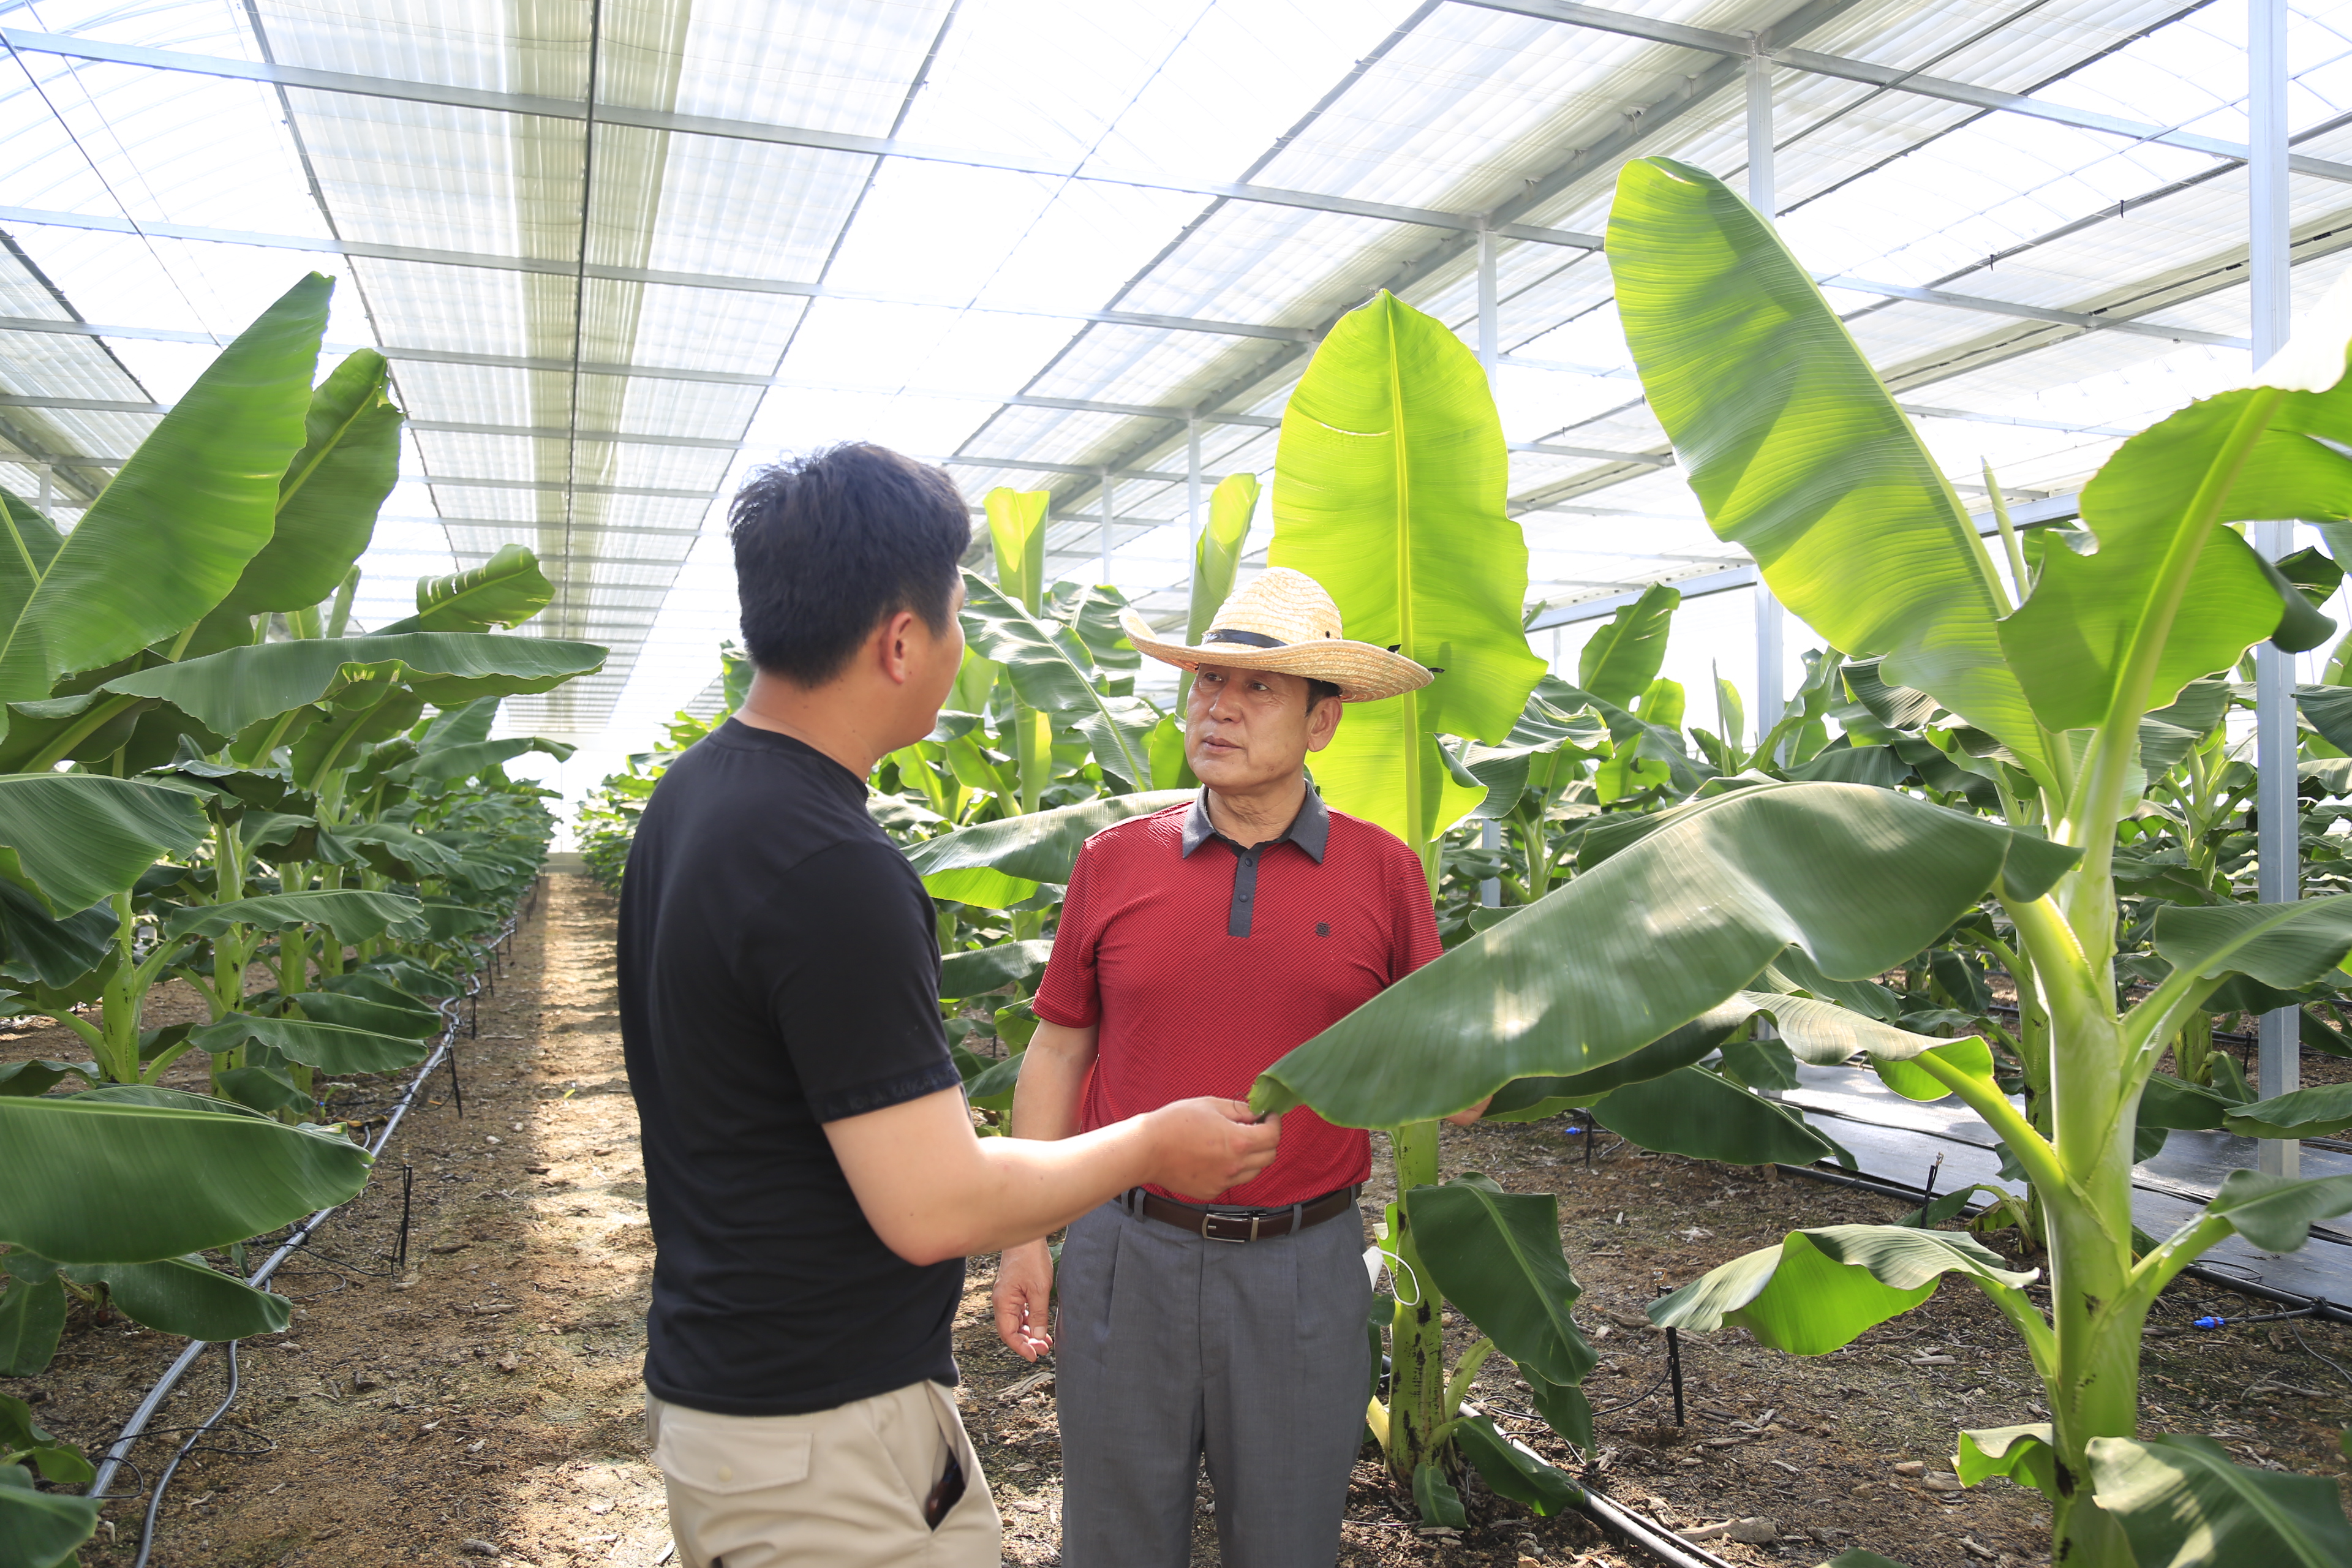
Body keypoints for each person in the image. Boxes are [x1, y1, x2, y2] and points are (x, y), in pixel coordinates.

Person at [617, 443, 1282, 1568]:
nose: (964, 646)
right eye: (959, 616)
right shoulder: (832, 867)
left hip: (742, 1394)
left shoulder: (696, 797)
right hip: (817, 1439)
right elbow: (930, 1206)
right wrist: (1154, 1145)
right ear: (900, 640)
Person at [992, 567, 1486, 1568]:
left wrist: (1488, 1058)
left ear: (1321, 723)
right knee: (1116, 1543)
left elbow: (1456, 1083)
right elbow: (1058, 1046)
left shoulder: (1384, 872)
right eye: (1207, 681)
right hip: (1126, 1253)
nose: (1218, 706)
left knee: (1289, 1543)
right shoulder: (1114, 861)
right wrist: (1022, 1236)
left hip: (1303, 1268)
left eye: (1257, 688)